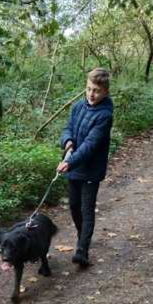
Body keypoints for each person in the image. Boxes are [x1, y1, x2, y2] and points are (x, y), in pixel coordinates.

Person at [57, 68, 114, 267]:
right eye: (89, 89)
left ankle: (82, 250)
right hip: (75, 166)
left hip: (90, 170)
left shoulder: (105, 115)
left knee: (86, 209)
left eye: (96, 91)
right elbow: (68, 128)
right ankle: (83, 236)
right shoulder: (78, 107)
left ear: (105, 91)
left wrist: (69, 162)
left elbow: (90, 144)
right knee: (74, 206)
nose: (91, 94)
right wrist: (68, 141)